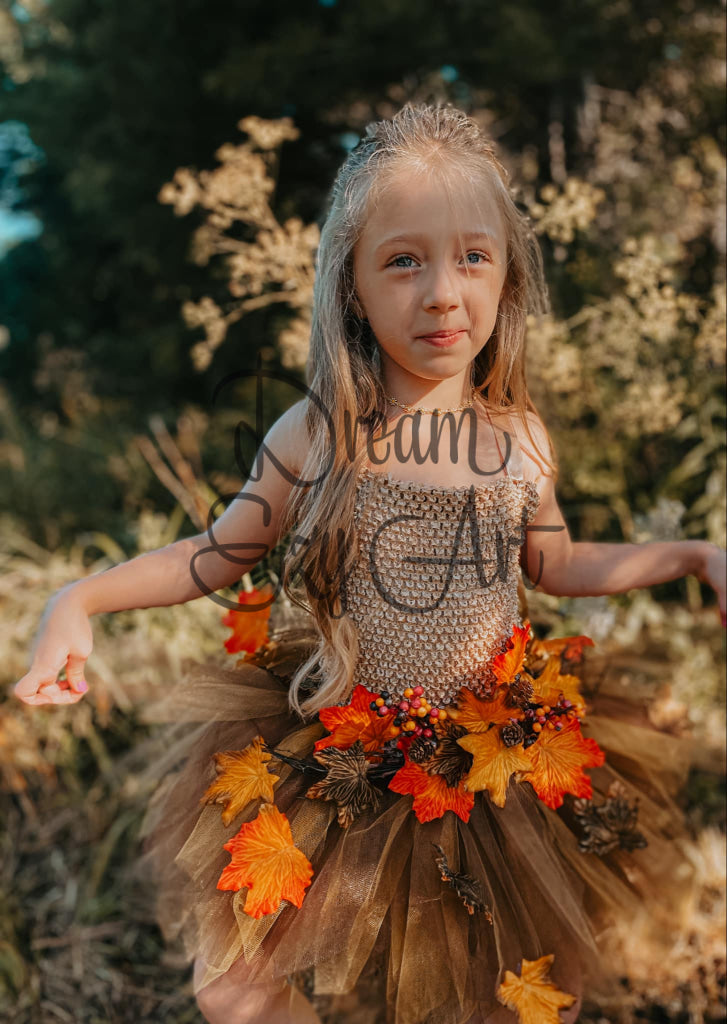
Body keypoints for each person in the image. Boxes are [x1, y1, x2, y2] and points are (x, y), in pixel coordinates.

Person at [14, 103, 726, 1024]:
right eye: (402, 260)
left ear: (506, 279)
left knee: (502, 991)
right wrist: (79, 599)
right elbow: (218, 551)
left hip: (487, 761)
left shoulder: (518, 438)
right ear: (350, 286)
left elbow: (556, 564)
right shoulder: (318, 431)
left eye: (473, 256)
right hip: (343, 749)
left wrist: (691, 552)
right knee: (233, 987)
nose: (440, 292)